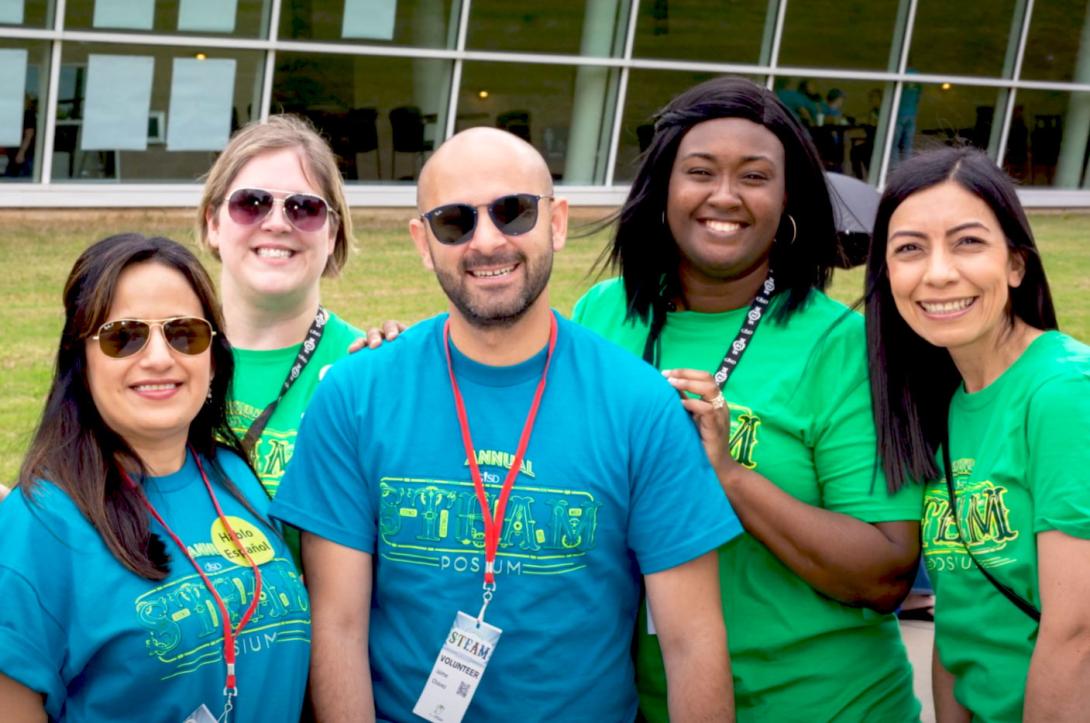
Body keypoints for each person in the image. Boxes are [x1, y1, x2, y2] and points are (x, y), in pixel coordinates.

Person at [270, 127, 741, 721]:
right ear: (422, 241)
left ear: (558, 222)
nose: (486, 241)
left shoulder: (639, 403)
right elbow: (337, 627)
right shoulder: (355, 395)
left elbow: (690, 640)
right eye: (454, 222)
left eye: (513, 212)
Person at [572, 76, 923, 721]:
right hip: (650, 700)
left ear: (788, 198)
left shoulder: (842, 345)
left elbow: (886, 571)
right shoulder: (600, 316)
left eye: (755, 177)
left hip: (825, 704)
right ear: (664, 190)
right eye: (699, 171)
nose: (724, 197)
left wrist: (726, 475)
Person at [0, 234, 309, 721]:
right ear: (81, 361)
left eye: (185, 333)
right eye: (125, 336)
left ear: (213, 357)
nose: (160, 358)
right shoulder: (36, 527)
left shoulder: (235, 476)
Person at [866, 146, 1090, 722]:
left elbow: (1078, 636)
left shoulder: (1065, 393)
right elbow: (962, 620)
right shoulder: (942, 401)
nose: (939, 272)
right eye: (910, 249)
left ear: (1016, 264)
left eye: (968, 242)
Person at [197, 114, 398, 562]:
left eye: (303, 208)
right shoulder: (166, 353)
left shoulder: (367, 370)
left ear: (332, 233)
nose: (276, 223)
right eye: (251, 203)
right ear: (213, 223)